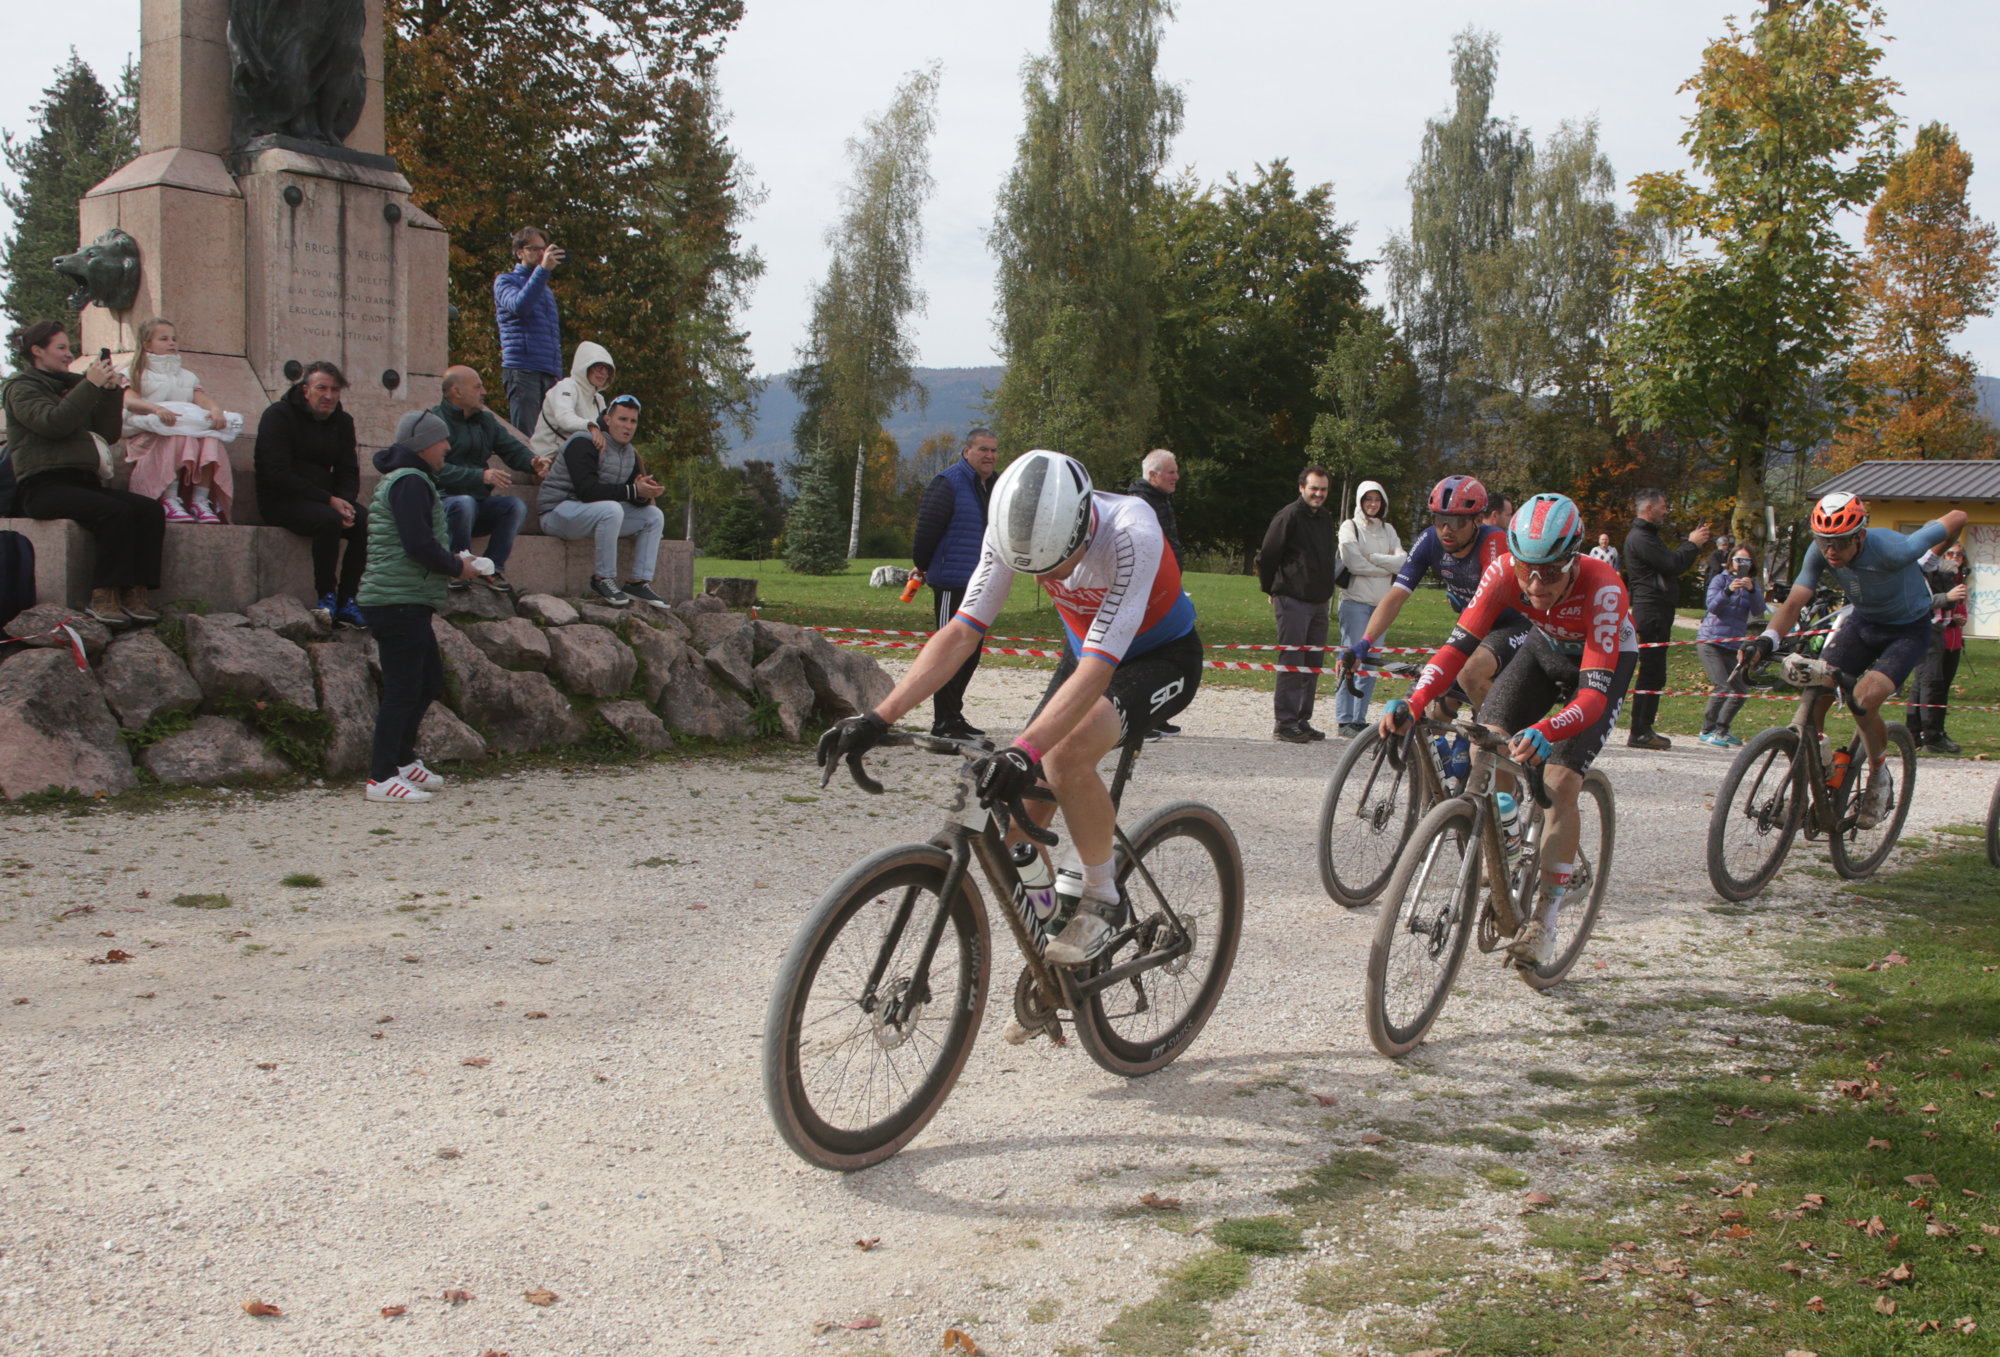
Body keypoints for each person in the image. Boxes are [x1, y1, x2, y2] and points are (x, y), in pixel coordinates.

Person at [817, 450, 1200, 972]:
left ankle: (1103, 896)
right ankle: (1058, 956)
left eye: (1054, 566)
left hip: (1160, 657)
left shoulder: (1133, 531)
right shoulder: (1008, 527)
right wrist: (878, 717)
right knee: (1018, 831)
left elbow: (1099, 671)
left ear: (1082, 529)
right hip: (1086, 654)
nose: (1047, 580)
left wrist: (1025, 750)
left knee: (1062, 757)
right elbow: (961, 633)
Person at [1381, 493, 1637, 970]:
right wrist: (1416, 700)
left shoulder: (1604, 588)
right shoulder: (1501, 573)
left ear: (1574, 560)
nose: (1535, 585)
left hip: (1601, 665)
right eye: (1526, 571)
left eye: (1551, 573)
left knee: (1561, 782)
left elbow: (1592, 698)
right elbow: (1456, 649)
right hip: (1543, 650)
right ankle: (1508, 830)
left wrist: (1547, 729)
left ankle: (1545, 920)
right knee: (1488, 741)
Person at [1742, 493, 1967, 828]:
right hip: (1863, 623)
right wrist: (1765, 640)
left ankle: (1879, 775)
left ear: (1860, 535)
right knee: (1816, 690)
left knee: (1863, 699)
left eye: (1841, 542)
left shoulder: (1896, 550)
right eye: (1824, 540)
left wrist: (1933, 557)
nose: (1831, 550)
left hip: (1908, 630)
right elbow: (1793, 603)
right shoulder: (1820, 550)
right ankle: (1813, 774)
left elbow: (1959, 516)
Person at [1349, 476, 1530, 781]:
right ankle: (1437, 790)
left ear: (1477, 520)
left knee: (1470, 672)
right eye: (1439, 519)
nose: (1446, 529)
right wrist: (1364, 642)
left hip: (1512, 624)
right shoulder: (1429, 541)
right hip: (1472, 623)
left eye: (1456, 522)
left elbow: (1486, 608)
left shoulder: (1494, 542)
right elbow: (1395, 596)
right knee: (1435, 706)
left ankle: (1493, 735)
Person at [2, 320, 163, 627]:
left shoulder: (77, 385)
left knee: (149, 511)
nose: (68, 354)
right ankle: (104, 595)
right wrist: (88, 387)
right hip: (42, 486)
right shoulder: (20, 387)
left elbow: (108, 434)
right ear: (37, 351)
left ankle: (135, 593)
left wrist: (111, 393)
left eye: (69, 347)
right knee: (114, 512)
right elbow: (53, 423)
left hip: (83, 482)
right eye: (61, 347)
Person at [357, 409, 482, 803]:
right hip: (397, 600)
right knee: (403, 688)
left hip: (407, 599)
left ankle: (402, 758)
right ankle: (380, 777)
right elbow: (417, 543)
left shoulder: (412, 479)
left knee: (427, 679)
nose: (447, 446)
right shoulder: (410, 481)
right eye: (441, 439)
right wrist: (457, 567)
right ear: (423, 443)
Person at [254, 360, 368, 628]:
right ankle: (326, 596)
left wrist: (346, 502)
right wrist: (329, 500)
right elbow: (277, 472)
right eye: (322, 388)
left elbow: (348, 470)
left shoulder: (343, 422)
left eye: (335, 390)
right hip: (282, 498)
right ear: (305, 390)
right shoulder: (278, 416)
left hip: (326, 499)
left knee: (364, 520)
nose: (329, 396)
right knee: (328, 520)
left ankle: (348, 599)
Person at [536, 394, 667, 607]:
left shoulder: (629, 453)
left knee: (654, 516)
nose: (628, 426)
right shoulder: (582, 442)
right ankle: (603, 578)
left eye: (633, 421)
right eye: (622, 419)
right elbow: (587, 491)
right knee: (611, 509)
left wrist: (643, 493)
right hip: (557, 513)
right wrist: (633, 490)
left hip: (595, 517)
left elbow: (629, 495)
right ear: (607, 419)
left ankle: (638, 582)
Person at [909, 427, 998, 739]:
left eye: (993, 450)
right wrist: (922, 565)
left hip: (982, 582)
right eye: (983, 449)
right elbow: (926, 529)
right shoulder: (947, 482)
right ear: (967, 451)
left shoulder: (995, 485)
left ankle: (954, 715)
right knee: (950, 651)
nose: (989, 456)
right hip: (952, 580)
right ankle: (943, 722)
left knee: (970, 652)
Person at [431, 365, 548, 594]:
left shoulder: (485, 420)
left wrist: (533, 462)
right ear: (457, 391)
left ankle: (492, 569)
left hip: (476, 505)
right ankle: (456, 566)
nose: (484, 392)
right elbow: (435, 469)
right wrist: (480, 476)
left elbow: (511, 447)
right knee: (464, 502)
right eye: (477, 387)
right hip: (443, 506)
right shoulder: (434, 421)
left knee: (514, 506)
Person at [120, 317, 240, 523]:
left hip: (180, 429)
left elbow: (201, 399)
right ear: (147, 344)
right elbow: (130, 401)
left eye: (174, 339)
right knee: (176, 436)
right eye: (164, 339)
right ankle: (168, 498)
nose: (171, 343)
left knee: (210, 438)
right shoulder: (135, 372)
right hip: (149, 433)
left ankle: (200, 501)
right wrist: (156, 409)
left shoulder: (187, 376)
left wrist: (215, 410)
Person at [1622, 488, 1712, 749]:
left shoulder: (1647, 536)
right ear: (1649, 508)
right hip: (1651, 611)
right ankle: (1640, 732)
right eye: (1663, 506)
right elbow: (1673, 564)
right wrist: (1692, 544)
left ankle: (1642, 729)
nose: (1666, 511)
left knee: (1654, 672)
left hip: (1657, 611)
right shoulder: (1641, 537)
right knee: (1652, 673)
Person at [1257, 466, 1338, 742]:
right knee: (1292, 661)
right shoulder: (1288, 516)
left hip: (1319, 602)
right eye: (1314, 488)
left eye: (1323, 489)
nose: (1318, 494)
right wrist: (1271, 588)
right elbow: (1267, 556)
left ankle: (1302, 719)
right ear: (1302, 487)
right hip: (1292, 599)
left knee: (1312, 664)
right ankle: (1285, 722)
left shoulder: (1325, 518)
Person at [1333, 480, 1406, 736]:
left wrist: (1373, 559)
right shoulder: (1349, 526)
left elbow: (1403, 562)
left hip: (1381, 606)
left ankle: (1359, 718)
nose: (1372, 504)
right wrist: (1385, 566)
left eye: (1377, 499)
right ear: (1360, 501)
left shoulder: (1388, 530)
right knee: (1350, 658)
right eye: (1368, 499)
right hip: (1355, 602)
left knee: (1371, 664)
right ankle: (1344, 719)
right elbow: (1352, 561)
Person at [1127, 448, 1184, 736]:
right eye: (1171, 472)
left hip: (1165, 591)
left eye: (1176, 470)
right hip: (1147, 594)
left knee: (1162, 654)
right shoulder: (1140, 504)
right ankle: (1135, 720)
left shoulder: (1160, 500)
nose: (1177, 476)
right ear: (1153, 475)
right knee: (1141, 658)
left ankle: (1155, 716)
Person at [493, 226, 567, 432]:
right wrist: (543, 271)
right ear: (519, 253)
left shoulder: (545, 289)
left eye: (544, 249)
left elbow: (552, 335)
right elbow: (519, 306)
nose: (541, 254)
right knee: (527, 437)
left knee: (550, 436)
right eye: (534, 249)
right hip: (522, 369)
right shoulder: (505, 281)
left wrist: (556, 373)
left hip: (548, 373)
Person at [1695, 543, 1764, 748]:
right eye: (1738, 560)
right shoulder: (1720, 580)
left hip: (1733, 645)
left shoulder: (1752, 585)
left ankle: (1722, 729)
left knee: (1740, 690)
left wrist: (1752, 590)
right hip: (1711, 640)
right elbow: (1712, 607)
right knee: (1722, 686)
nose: (1742, 564)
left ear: (1751, 564)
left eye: (1746, 561)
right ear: (1731, 561)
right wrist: (1728, 590)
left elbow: (1759, 610)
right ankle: (1706, 730)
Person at [1909, 541, 1970, 754]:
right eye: (1947, 551)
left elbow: (1950, 605)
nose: (1952, 557)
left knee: (1926, 684)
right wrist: (1947, 597)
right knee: (1930, 683)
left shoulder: (1939, 572)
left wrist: (1951, 595)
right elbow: (1915, 601)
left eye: (1958, 554)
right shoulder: (1917, 568)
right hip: (1927, 630)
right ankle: (1930, 736)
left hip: (1936, 632)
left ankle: (1917, 734)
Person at [530, 341, 615, 458]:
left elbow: (608, 430)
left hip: (579, 456)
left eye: (608, 369)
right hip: (549, 458)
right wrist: (591, 427)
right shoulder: (566, 386)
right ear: (585, 365)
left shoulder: (598, 399)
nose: (604, 373)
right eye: (599, 367)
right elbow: (564, 418)